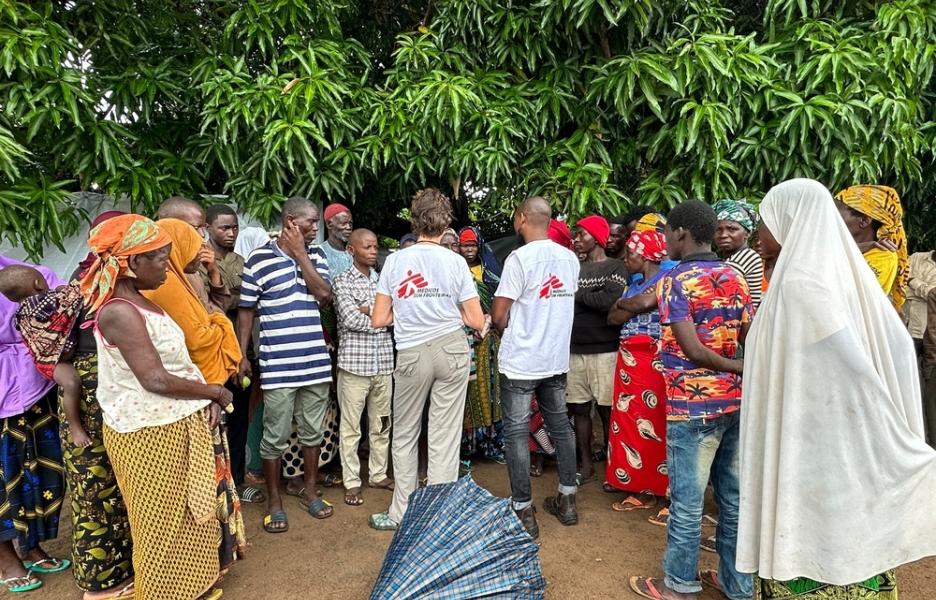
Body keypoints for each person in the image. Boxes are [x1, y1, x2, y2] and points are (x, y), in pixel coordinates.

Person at [738, 178, 936, 599]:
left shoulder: (803, 286)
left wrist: (885, 425)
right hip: (828, 439)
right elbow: (894, 345)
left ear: (792, 222)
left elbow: (848, 362)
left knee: (815, 533)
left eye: (765, 222)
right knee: (847, 532)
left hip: (814, 442)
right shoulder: (833, 276)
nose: (760, 234)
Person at [82, 214, 231, 600]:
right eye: (160, 258)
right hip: (147, 433)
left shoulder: (140, 303)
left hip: (173, 422)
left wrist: (201, 398)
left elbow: (175, 365)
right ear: (131, 264)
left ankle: (190, 589)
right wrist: (212, 392)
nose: (168, 264)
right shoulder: (119, 312)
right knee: (159, 524)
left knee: (187, 515)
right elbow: (155, 380)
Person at [629, 200, 753, 600]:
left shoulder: (675, 280)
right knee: (732, 501)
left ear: (681, 233)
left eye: (666, 233)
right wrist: (741, 371)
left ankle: (679, 586)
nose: (663, 241)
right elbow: (748, 338)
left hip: (692, 407)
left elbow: (693, 351)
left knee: (686, 502)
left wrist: (735, 370)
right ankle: (737, 584)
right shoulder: (734, 277)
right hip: (734, 406)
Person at [368, 188, 485, 531]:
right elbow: (476, 320)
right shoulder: (455, 262)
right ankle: (440, 516)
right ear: (446, 222)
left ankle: (400, 513)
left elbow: (378, 318)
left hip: (411, 353)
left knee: (404, 434)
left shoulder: (395, 261)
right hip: (451, 349)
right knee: (444, 434)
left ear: (414, 220)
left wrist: (406, 314)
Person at [141, 218, 247, 570]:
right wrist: (219, 323)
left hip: (203, 388)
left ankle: (214, 555)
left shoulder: (184, 275)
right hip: (197, 390)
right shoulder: (166, 284)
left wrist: (214, 307)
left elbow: (218, 305)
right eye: (194, 233)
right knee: (201, 485)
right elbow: (200, 339)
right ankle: (205, 560)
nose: (201, 240)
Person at [237, 197, 335, 531]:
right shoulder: (258, 259)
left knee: (312, 433)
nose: (315, 228)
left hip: (315, 363)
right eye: (311, 222)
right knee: (274, 435)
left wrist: (300, 256)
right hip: (278, 363)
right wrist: (242, 354)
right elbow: (246, 310)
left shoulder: (316, 255)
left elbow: (324, 295)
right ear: (291, 221)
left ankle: (308, 490)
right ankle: (274, 499)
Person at [491, 196, 580, 539]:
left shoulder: (519, 259)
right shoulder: (569, 259)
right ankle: (568, 501)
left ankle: (523, 510)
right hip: (554, 360)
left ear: (523, 218)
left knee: (515, 432)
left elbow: (499, 314)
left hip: (521, 363)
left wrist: (504, 330)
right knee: (560, 427)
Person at [0, 257, 69, 594]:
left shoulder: (22, 270)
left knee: (38, 472)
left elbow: (57, 304)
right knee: (2, 480)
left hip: (35, 386)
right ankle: (5, 560)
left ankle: (30, 546)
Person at [202, 205, 264, 504]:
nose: (230, 233)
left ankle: (238, 481)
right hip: (207, 355)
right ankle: (211, 488)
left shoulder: (245, 263)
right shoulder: (197, 263)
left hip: (239, 353)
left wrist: (245, 355)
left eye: (234, 227)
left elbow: (248, 310)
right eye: (224, 227)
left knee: (238, 419)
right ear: (208, 227)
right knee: (208, 423)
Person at [606, 229, 669, 512]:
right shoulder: (632, 285)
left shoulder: (667, 279)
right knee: (630, 423)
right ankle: (640, 489)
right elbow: (613, 317)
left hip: (654, 360)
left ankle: (664, 492)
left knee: (657, 423)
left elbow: (644, 303)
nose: (626, 258)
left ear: (643, 255)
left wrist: (628, 304)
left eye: (630, 253)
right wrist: (627, 304)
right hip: (629, 360)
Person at [333, 229, 395, 506]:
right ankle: (352, 481)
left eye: (375, 246)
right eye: (367, 247)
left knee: (382, 425)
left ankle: (378, 474)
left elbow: (401, 316)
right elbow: (350, 320)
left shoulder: (386, 282)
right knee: (350, 429)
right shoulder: (342, 282)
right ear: (351, 250)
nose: (373, 251)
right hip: (354, 368)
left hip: (383, 365)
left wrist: (369, 310)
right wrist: (381, 315)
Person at [568, 215, 628, 484]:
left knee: (608, 411)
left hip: (606, 350)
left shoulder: (617, 266)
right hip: (573, 349)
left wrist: (577, 297)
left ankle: (614, 467)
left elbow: (609, 300)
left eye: (582, 234)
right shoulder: (572, 267)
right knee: (579, 409)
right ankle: (586, 464)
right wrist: (587, 299)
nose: (577, 239)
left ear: (597, 236)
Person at [458, 226, 505, 463]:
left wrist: (487, 323)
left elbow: (499, 300)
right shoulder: (454, 269)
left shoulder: (490, 270)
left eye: (472, 245)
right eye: (464, 245)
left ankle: (490, 444)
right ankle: (468, 447)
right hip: (463, 338)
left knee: (490, 390)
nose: (468, 249)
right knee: (467, 393)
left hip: (488, 341)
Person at [833, 185, 908, 309]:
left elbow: (844, 294)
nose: (831, 218)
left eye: (837, 213)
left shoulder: (883, 256)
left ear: (865, 221)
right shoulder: (848, 246)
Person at [157, 196, 230, 313]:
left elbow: (216, 312)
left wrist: (214, 273)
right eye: (195, 228)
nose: (202, 235)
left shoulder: (191, 268)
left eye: (203, 227)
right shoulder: (158, 274)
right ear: (172, 226)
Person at [713, 199, 764, 309]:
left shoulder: (748, 256)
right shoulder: (725, 259)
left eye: (732, 229)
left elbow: (712, 287)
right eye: (718, 229)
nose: (723, 235)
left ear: (747, 233)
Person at [906, 246, 936, 355]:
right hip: (900, 319)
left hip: (921, 331)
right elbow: (899, 277)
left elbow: (932, 295)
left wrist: (912, 281)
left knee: (916, 367)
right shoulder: (916, 257)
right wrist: (923, 291)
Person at [320, 203, 354, 279]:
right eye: (344, 223)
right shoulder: (320, 253)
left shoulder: (354, 252)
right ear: (329, 224)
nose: (349, 227)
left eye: (350, 223)